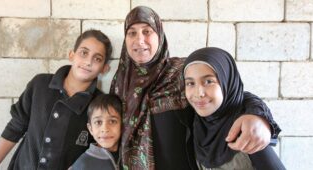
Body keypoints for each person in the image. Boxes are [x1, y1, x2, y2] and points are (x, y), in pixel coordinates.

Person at [110, 6, 281, 170]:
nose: (139, 40)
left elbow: (234, 95)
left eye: (147, 31)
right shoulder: (120, 83)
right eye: (132, 33)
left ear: (160, 35)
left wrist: (258, 118)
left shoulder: (181, 71)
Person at [0, 29, 113, 170]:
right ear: (72, 55)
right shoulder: (40, 84)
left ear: (104, 68)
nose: (88, 62)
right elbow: (15, 127)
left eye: (97, 58)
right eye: (84, 53)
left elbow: (100, 150)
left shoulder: (100, 105)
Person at [183, 47, 285, 169]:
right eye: (190, 83)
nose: (199, 93)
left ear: (228, 82)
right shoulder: (193, 123)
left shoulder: (247, 129)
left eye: (209, 81)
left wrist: (259, 116)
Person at [71, 94, 122, 170]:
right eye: (98, 122)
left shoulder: (128, 154)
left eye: (112, 121)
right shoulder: (83, 164)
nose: (104, 129)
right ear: (90, 129)